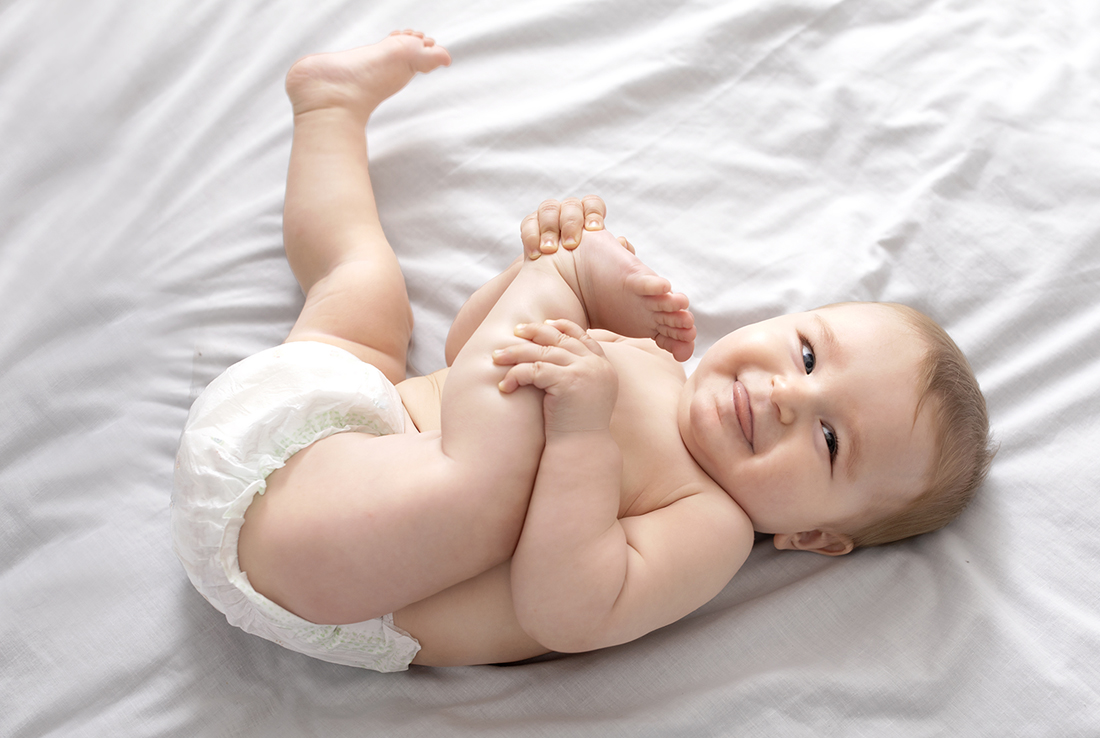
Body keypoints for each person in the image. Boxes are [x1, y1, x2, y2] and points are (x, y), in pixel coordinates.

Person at [172, 31, 994, 673]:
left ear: (816, 535)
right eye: (809, 357)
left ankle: (563, 274)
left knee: (485, 484)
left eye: (828, 440)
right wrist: (517, 276)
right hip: (324, 421)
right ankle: (328, 111)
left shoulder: (706, 525)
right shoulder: (649, 354)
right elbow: (466, 354)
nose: (788, 397)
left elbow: (565, 609)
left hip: (312, 565)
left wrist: (580, 435)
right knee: (360, 284)